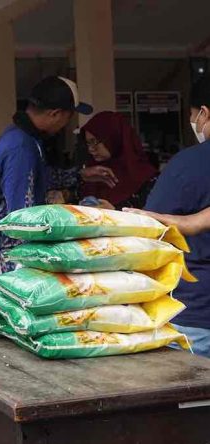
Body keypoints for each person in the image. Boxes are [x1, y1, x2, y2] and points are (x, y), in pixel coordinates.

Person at [0, 76, 92, 275]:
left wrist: (80, 174)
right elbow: (22, 218)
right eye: (69, 117)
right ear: (55, 114)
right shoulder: (20, 148)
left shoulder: (26, 137)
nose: (68, 124)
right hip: (9, 255)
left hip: (14, 250)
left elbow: (42, 177)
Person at [141, 76, 210, 358]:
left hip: (195, 313)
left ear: (203, 113)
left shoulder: (189, 163)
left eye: (192, 115)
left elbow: (151, 230)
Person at [79, 111, 157, 210]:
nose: (91, 149)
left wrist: (115, 211)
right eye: (88, 143)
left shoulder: (146, 178)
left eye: (94, 142)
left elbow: (153, 214)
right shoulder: (91, 173)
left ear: (114, 137)